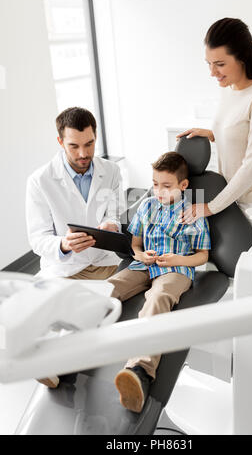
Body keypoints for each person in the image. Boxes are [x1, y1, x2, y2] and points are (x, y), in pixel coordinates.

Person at [26, 107, 125, 388]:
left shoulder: (112, 171)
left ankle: (54, 360)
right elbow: (37, 238)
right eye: (74, 146)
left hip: (104, 261)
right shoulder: (40, 181)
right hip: (64, 266)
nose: (83, 153)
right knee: (35, 310)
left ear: (96, 137)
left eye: (89, 144)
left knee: (93, 308)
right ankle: (48, 359)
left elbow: (114, 214)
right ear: (60, 142)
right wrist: (63, 244)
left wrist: (110, 226)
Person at [108, 151, 211, 413]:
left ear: (183, 186)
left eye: (166, 186)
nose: (159, 191)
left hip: (176, 270)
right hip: (145, 265)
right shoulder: (147, 206)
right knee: (108, 289)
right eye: (155, 184)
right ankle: (64, 352)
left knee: (158, 298)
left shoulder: (193, 211)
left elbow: (202, 256)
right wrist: (141, 255)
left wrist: (178, 258)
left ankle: (139, 372)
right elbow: (135, 243)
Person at [178, 18, 252, 226]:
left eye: (219, 64)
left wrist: (210, 207)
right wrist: (213, 134)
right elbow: (240, 133)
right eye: (209, 64)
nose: (212, 72)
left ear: (243, 57)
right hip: (227, 199)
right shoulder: (229, 88)